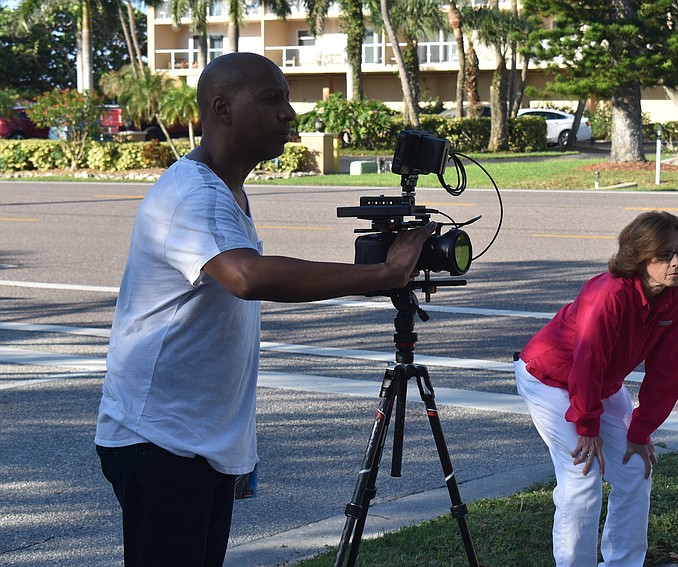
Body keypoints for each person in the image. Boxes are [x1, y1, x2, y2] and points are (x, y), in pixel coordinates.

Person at [94, 52, 435, 567]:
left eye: (287, 98)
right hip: (159, 440)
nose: (289, 113)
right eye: (272, 98)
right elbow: (247, 277)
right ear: (222, 108)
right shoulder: (195, 195)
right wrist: (382, 275)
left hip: (193, 439)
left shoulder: (226, 189)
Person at [514, 210, 678, 567]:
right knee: (582, 478)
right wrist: (587, 425)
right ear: (639, 257)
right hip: (549, 378)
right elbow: (588, 361)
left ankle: (624, 563)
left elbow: (668, 370)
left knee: (635, 469)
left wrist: (641, 430)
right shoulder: (608, 294)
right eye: (665, 255)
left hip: (600, 384)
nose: (676, 263)